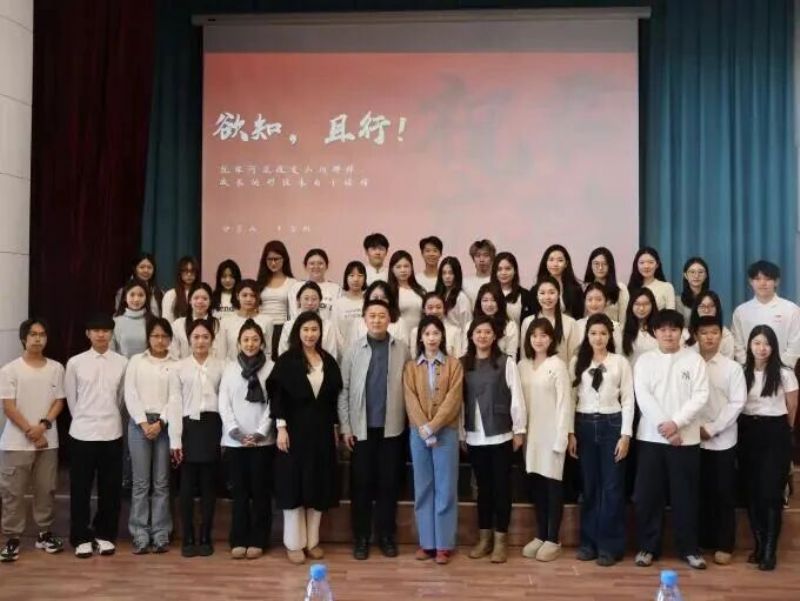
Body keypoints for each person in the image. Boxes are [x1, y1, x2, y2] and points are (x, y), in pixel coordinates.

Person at [632, 309, 709, 570]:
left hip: (685, 440)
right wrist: (666, 428)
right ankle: (648, 547)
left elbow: (700, 395)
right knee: (648, 496)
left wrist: (677, 423)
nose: (668, 334)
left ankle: (689, 549)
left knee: (685, 496)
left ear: (682, 332)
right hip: (651, 439)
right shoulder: (644, 361)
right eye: (663, 329)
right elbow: (643, 397)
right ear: (654, 332)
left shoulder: (694, 360)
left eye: (673, 329)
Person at [267, 312, 342, 564]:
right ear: (297, 332)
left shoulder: (328, 360)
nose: (310, 334)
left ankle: (312, 541)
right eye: (306, 329)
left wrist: (335, 428)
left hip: (321, 433)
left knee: (318, 486)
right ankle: (294, 543)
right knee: (294, 486)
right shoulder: (287, 361)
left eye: (314, 329)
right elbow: (277, 396)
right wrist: (281, 427)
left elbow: (333, 400)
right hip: (293, 433)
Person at [338, 299, 410, 560]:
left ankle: (386, 536)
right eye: (372, 315)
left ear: (390, 319)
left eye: (382, 315)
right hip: (361, 430)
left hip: (392, 429)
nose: (377, 320)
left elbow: (410, 387)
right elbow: (344, 390)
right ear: (365, 319)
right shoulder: (353, 349)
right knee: (361, 486)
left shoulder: (402, 349)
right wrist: (346, 426)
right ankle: (361, 538)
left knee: (389, 485)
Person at [568, 314, 634, 567]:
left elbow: (628, 399)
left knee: (612, 488)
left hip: (611, 425)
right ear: (587, 335)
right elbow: (571, 399)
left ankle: (610, 546)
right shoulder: (577, 361)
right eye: (594, 333)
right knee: (590, 487)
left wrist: (625, 435)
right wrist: (570, 433)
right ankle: (588, 543)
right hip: (584, 425)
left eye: (603, 333)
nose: (598, 338)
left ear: (610, 336)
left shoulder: (620, 363)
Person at [0, 319, 65, 562]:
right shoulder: (10, 370)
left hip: (48, 440)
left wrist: (43, 426)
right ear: (23, 339)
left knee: (45, 489)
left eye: (42, 334)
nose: (38, 339)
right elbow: (8, 406)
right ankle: (12, 538)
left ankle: (44, 533)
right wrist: (31, 431)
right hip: (16, 442)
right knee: (13, 492)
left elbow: (59, 401)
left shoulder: (56, 368)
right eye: (33, 334)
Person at [462, 316, 526, 564]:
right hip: (474, 436)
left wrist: (519, 429)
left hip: (501, 434)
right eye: (478, 331)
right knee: (483, 491)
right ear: (471, 336)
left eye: (487, 332)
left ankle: (501, 541)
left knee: (502, 489)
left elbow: (517, 397)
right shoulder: (463, 363)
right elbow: (459, 403)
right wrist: (461, 434)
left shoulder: (505, 362)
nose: (482, 336)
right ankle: (484, 538)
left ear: (495, 336)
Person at [65, 313, 128, 558]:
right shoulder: (75, 362)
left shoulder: (122, 362)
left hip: (111, 432)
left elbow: (120, 398)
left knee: (110, 488)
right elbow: (72, 398)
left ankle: (105, 535)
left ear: (112, 334)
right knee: (80, 488)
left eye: (105, 330)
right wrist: (84, 418)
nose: (101, 334)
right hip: (82, 433)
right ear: (88, 334)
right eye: (96, 330)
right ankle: (80, 537)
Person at [403, 315, 463, 564]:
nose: (431, 338)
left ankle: (443, 545)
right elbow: (410, 399)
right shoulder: (410, 367)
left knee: (445, 487)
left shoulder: (454, 365)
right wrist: (424, 428)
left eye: (436, 333)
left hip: (445, 432)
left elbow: (453, 399)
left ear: (442, 337)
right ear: (420, 337)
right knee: (423, 486)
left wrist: (434, 426)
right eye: (427, 334)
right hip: (418, 433)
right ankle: (427, 543)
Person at [739, 325, 798, 570]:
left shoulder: (784, 373)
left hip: (775, 433)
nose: (762, 348)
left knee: (771, 493)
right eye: (757, 343)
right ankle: (759, 544)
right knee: (752, 492)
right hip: (747, 431)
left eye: (767, 344)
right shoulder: (741, 372)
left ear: (773, 347)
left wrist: (783, 432)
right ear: (749, 346)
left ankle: (770, 551)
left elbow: (792, 408)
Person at [167, 318, 225, 558]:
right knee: (187, 486)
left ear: (212, 339)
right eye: (196, 337)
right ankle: (188, 536)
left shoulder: (223, 366)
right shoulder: (178, 367)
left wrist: (225, 437)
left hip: (213, 425)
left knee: (209, 485)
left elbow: (226, 401)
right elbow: (174, 403)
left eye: (205, 337)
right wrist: (175, 439)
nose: (201, 341)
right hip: (188, 426)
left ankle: (205, 535)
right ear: (189, 340)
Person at [219, 319, 275, 560]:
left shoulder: (271, 368)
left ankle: (259, 540)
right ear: (239, 343)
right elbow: (224, 403)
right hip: (235, 442)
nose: (250, 344)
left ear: (262, 342)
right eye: (246, 340)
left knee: (261, 492)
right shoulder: (230, 368)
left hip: (263, 442)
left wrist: (261, 432)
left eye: (255, 339)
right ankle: (239, 539)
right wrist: (236, 432)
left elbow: (274, 404)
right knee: (239, 493)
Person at [693, 316, 747, 565]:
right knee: (698, 492)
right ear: (696, 335)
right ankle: (702, 540)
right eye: (704, 332)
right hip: (691, 438)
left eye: (714, 332)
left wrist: (712, 429)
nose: (709, 337)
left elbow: (737, 403)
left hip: (722, 440)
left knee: (723, 493)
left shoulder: (731, 368)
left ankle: (724, 544)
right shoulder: (689, 363)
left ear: (721, 336)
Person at [518, 318, 571, 562]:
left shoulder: (557, 365)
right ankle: (540, 535)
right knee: (536, 485)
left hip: (552, 434)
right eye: (534, 335)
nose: (538, 340)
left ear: (551, 339)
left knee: (552, 486)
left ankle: (553, 538)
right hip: (530, 435)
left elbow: (564, 404)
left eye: (544, 335)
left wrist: (563, 436)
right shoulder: (522, 365)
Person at [124, 317, 177, 554]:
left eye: (164, 336)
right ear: (148, 337)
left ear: (170, 339)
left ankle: (161, 533)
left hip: (165, 425)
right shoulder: (136, 361)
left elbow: (175, 397)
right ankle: (140, 533)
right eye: (155, 336)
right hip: (139, 424)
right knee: (140, 482)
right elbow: (130, 393)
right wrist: (144, 423)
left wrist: (161, 422)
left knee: (162, 482)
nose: (160, 340)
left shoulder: (176, 363)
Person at [731, 260, 800, 367]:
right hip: (749, 370)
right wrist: (750, 366)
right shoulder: (741, 311)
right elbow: (737, 345)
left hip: (783, 370)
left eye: (767, 279)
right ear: (751, 281)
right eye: (757, 279)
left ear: (776, 282)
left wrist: (780, 368)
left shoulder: (791, 309)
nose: (762, 283)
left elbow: (795, 345)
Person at [520, 276, 580, 362]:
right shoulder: (528, 322)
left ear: (559, 295)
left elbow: (573, 359)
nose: (547, 297)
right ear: (537, 296)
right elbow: (524, 355)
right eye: (542, 293)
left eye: (551, 292)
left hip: (561, 370)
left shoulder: (570, 323)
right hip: (533, 370)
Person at [278, 282, 339, 360]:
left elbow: (332, 354)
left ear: (320, 301)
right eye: (306, 298)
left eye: (314, 299)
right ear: (299, 300)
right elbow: (282, 353)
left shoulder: (328, 326)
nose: (310, 303)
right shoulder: (289, 325)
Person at [257, 240, 296, 357]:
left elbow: (294, 311)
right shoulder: (259, 283)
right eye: (269, 259)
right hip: (262, 327)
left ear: (284, 259)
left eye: (277, 259)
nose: (273, 263)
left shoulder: (293, 283)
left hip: (282, 328)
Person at [220, 279, 273, 362]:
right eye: (244, 295)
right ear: (237, 296)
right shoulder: (225, 321)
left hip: (259, 367)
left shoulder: (267, 321)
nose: (248, 299)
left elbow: (268, 352)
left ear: (257, 297)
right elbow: (222, 353)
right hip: (232, 367)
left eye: (252, 295)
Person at [170, 282, 224, 359]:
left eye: (205, 298)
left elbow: (221, 354)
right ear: (190, 300)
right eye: (196, 298)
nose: (200, 301)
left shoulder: (218, 325)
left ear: (210, 302)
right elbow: (174, 354)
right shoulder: (178, 325)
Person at [288, 249, 341, 321]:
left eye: (320, 263)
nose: (316, 266)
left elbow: (336, 316)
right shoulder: (296, 287)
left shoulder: (336, 289)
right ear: (305, 266)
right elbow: (294, 314)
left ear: (327, 265)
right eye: (312, 263)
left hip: (327, 327)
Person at [466, 283, 518, 358]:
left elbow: (511, 355)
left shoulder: (510, 326)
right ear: (479, 303)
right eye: (485, 300)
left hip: (501, 365)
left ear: (500, 302)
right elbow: (466, 353)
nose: (489, 304)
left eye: (494, 300)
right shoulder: (470, 325)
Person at [582, 247, 629, 327]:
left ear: (610, 266)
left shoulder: (620, 288)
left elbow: (624, 320)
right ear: (590, 265)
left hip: (614, 331)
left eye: (605, 264)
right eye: (596, 264)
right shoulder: (584, 288)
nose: (600, 267)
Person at [408, 293, 465, 358]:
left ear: (444, 309)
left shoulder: (454, 331)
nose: (434, 311)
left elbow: (457, 357)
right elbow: (414, 357)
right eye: (430, 308)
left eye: (438, 307)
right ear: (424, 310)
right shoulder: (415, 332)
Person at [536, 244, 584, 318]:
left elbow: (578, 316)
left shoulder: (576, 289)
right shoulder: (536, 288)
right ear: (546, 262)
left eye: (560, 260)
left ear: (566, 264)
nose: (555, 264)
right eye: (551, 260)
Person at [683, 291, 735, 359]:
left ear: (717, 309)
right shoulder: (685, 334)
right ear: (696, 309)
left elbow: (729, 362)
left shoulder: (726, 335)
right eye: (702, 306)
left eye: (711, 306)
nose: (706, 311)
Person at [575, 283, 623, 353]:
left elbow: (618, 352)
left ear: (606, 302)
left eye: (599, 299)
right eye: (590, 300)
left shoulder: (615, 326)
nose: (594, 303)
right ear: (585, 302)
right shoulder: (577, 325)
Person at [388, 250, 426, 338]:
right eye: (398, 267)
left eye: (406, 266)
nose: (403, 270)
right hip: (399, 337)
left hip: (419, 337)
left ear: (411, 268)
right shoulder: (389, 292)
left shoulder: (421, 290)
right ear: (392, 269)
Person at [331, 261, 367, 354]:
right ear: (346, 278)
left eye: (360, 275)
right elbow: (336, 331)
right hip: (344, 353)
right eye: (352, 275)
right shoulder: (338, 303)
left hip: (367, 352)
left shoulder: (369, 302)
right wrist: (346, 352)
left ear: (365, 278)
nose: (356, 279)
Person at [111, 278, 151, 358]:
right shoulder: (115, 321)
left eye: (141, 295)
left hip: (147, 365)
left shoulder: (153, 321)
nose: (136, 299)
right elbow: (111, 352)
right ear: (125, 297)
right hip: (122, 365)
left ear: (146, 298)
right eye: (132, 295)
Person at [491, 252, 531, 327]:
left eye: (508, 269)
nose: (503, 273)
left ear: (515, 270)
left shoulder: (525, 295)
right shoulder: (487, 292)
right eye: (499, 269)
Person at [621, 288, 659, 367]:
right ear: (631, 305)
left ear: (652, 305)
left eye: (646, 304)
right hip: (631, 373)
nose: (641, 308)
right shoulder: (621, 330)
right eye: (637, 304)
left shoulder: (660, 328)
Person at [435, 256, 472, 332]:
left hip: (456, 337)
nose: (447, 276)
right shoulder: (438, 295)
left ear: (457, 274)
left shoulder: (462, 298)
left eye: (451, 273)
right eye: (444, 273)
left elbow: (467, 326)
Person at [161, 256, 200, 323]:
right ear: (180, 273)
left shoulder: (201, 293)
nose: (189, 274)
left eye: (192, 271)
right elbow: (167, 321)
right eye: (185, 271)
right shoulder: (171, 294)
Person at [676, 257, 710, 321]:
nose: (696, 276)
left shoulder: (712, 300)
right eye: (692, 272)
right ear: (685, 275)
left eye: (700, 272)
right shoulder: (677, 301)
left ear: (706, 275)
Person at [463, 239, 496, 303]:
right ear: (473, 259)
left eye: (486, 255)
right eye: (478, 256)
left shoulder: (498, 281)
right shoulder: (465, 283)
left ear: (492, 258)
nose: (482, 260)